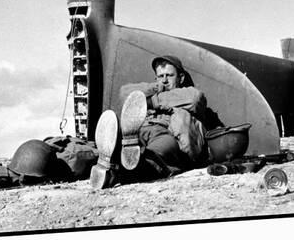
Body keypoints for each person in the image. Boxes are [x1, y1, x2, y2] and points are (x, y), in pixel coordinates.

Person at [89, 55, 213, 189]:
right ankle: (113, 160)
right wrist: (156, 87)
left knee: (153, 156)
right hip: (139, 131)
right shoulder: (156, 88)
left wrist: (150, 102)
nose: (164, 80)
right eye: (160, 76)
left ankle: (118, 172)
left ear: (181, 78)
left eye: (169, 75)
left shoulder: (189, 92)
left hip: (166, 133)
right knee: (123, 146)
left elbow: (195, 99)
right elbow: (124, 93)